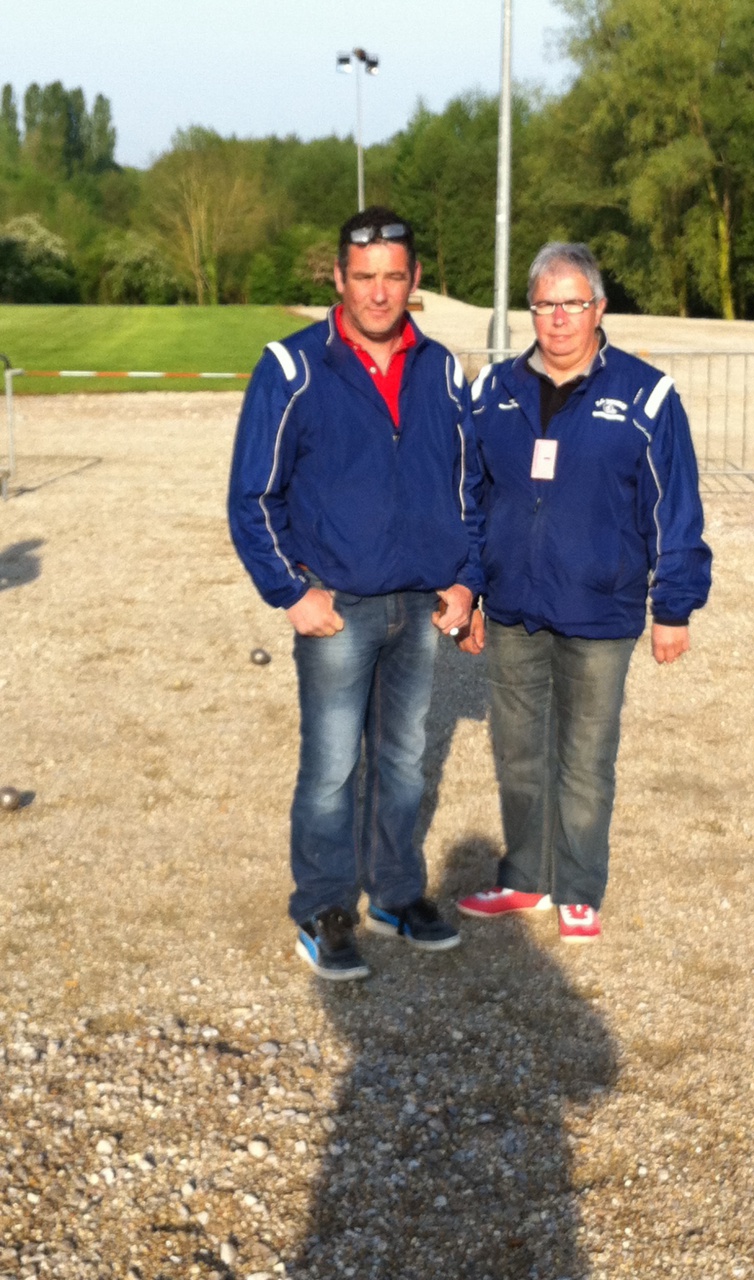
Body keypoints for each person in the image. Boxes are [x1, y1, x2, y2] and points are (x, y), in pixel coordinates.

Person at [228, 207, 483, 981]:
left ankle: (396, 894)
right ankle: (325, 906)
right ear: (339, 279)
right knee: (334, 765)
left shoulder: (442, 369)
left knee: (404, 761)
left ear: (414, 281)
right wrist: (290, 593)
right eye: (364, 277)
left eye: (394, 277)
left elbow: (472, 486)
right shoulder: (292, 366)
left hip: (420, 607)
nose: (379, 293)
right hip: (335, 606)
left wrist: (468, 578)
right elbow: (252, 496)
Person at [456, 242, 711, 943]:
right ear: (530, 311)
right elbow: (471, 500)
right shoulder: (495, 392)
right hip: (513, 610)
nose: (559, 318)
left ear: (598, 308)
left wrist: (674, 606)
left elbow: (675, 508)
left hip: (601, 608)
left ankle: (577, 887)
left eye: (573, 303)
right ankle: (526, 880)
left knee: (586, 755)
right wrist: (469, 590)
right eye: (545, 304)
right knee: (518, 751)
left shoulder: (646, 394)